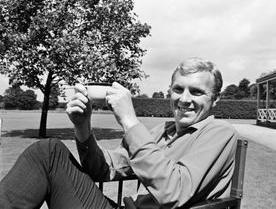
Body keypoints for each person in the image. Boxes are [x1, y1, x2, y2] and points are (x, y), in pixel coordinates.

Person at [0, 57, 238, 209]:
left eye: (196, 92)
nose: (184, 99)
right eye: (178, 89)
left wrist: (129, 120)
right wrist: (82, 126)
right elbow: (103, 169)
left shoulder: (219, 133)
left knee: (47, 151)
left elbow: (173, 192)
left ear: (215, 99)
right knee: (48, 151)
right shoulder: (161, 132)